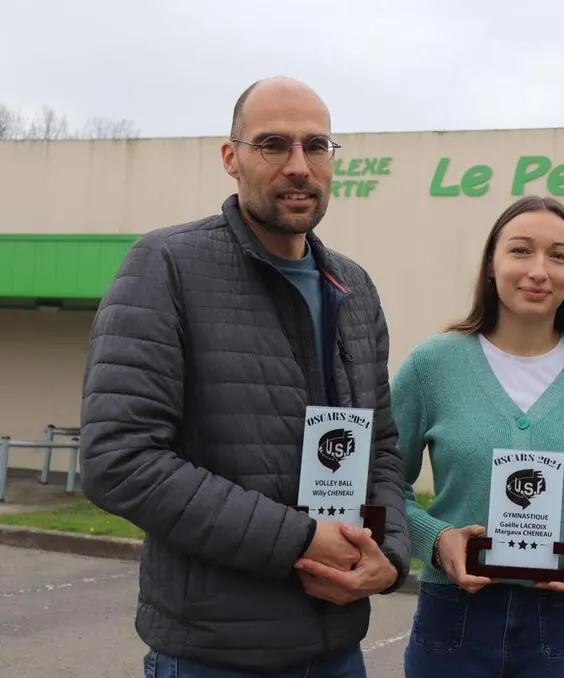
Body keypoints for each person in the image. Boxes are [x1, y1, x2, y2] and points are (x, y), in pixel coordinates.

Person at [78, 76, 411, 678]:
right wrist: (300, 541)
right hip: (214, 655)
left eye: (316, 146)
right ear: (231, 158)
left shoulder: (354, 288)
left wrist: (389, 554)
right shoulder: (166, 266)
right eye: (272, 144)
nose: (298, 166)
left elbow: (380, 447)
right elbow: (119, 460)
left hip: (338, 650)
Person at [391, 195, 564, 677]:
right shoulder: (432, 366)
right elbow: (382, 483)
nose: (538, 271)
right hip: (452, 616)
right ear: (491, 264)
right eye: (520, 250)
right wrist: (436, 540)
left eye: (558, 256)